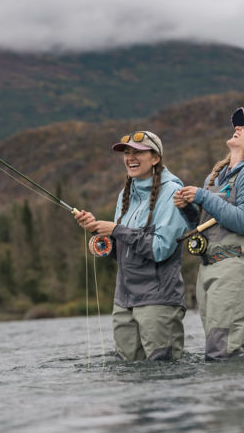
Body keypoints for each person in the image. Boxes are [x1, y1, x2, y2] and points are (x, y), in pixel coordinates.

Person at [75, 130, 195, 361]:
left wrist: (116, 230)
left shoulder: (172, 192)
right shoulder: (125, 195)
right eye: (127, 153)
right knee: (129, 377)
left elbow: (160, 249)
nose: (131, 157)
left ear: (156, 158)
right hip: (124, 300)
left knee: (164, 374)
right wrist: (97, 231)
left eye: (138, 152)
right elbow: (123, 252)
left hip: (158, 300)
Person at [173, 107, 244, 361]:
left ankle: (238, 396)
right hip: (209, 267)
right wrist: (189, 209)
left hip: (236, 266)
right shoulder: (214, 177)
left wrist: (202, 197)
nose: (238, 128)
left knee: (222, 350)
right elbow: (201, 226)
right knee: (220, 347)